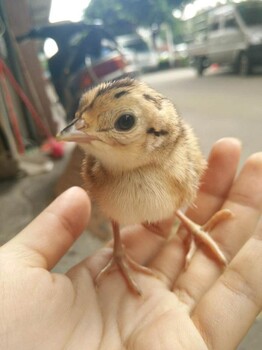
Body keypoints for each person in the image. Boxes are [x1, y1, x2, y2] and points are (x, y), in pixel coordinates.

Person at [0, 138, 261, 350]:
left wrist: (193, 226)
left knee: (169, 194)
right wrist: (118, 251)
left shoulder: (177, 152)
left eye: (124, 122)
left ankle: (192, 226)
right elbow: (112, 208)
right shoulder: (99, 164)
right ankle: (124, 250)